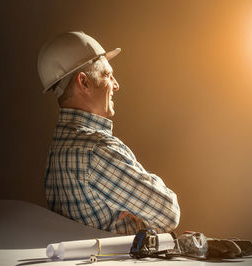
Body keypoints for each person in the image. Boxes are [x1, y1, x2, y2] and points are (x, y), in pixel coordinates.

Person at [37, 31, 180, 235]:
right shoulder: (95, 151)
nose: (116, 85)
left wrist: (134, 206)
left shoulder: (59, 149)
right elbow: (169, 213)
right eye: (107, 75)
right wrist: (142, 196)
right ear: (84, 82)